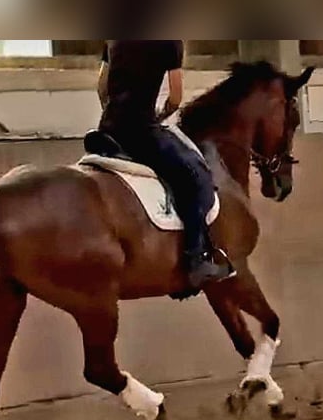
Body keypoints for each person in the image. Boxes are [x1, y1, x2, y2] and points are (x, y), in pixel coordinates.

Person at [96, 40, 233, 290]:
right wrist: (159, 117)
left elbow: (101, 88)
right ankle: (195, 260)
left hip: (107, 129)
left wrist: (114, 114)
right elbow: (175, 98)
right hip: (142, 133)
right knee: (193, 175)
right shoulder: (169, 42)